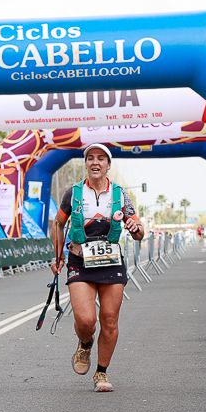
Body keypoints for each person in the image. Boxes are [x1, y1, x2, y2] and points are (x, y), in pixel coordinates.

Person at [49, 143, 144, 392]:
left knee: (109, 321)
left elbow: (138, 231)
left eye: (101, 158)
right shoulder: (73, 193)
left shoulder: (120, 194)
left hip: (111, 261)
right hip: (80, 260)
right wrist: (58, 256)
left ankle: (101, 373)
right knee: (85, 319)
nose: (95, 162)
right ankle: (85, 343)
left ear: (108, 164)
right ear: (86, 164)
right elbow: (58, 224)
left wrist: (136, 228)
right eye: (90, 158)